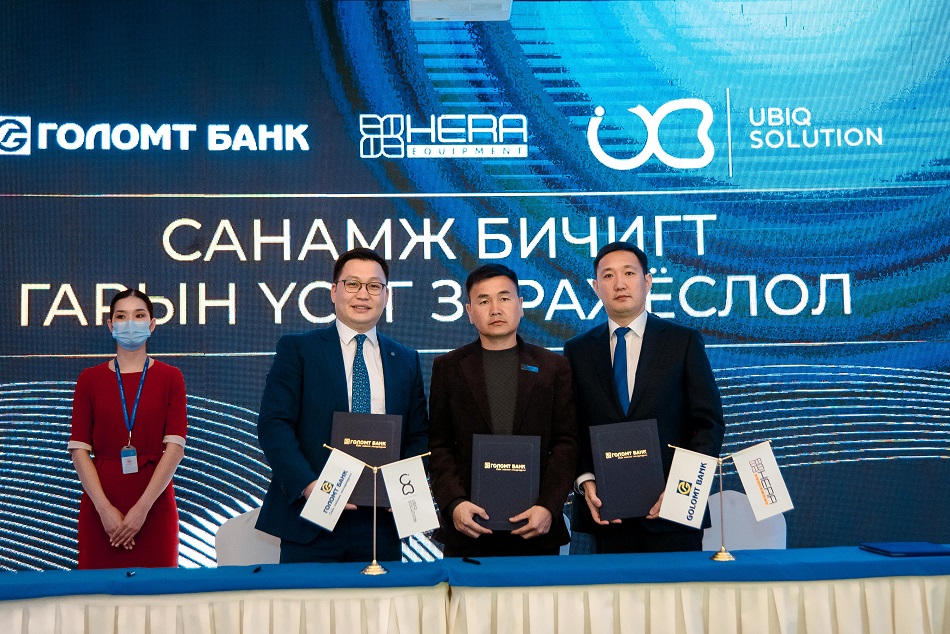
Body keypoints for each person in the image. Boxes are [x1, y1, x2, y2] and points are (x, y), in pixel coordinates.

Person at [256, 248, 429, 563]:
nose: (363, 294)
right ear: (334, 291)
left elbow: (419, 435)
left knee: (383, 599)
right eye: (352, 284)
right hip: (311, 518)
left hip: (380, 525)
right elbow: (274, 425)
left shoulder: (405, 359)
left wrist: (402, 489)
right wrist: (308, 485)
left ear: (387, 295)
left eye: (374, 286)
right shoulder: (299, 349)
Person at [564, 242, 725, 553]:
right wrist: (585, 479)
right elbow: (571, 428)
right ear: (596, 287)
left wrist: (682, 488)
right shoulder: (578, 350)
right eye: (608, 276)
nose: (620, 284)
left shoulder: (682, 341)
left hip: (673, 515)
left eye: (629, 273)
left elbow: (709, 423)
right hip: (604, 517)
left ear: (647, 281)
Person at [429, 264, 577, 557]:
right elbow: (439, 445)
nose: (495, 309)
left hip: (536, 528)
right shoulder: (448, 368)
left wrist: (548, 506)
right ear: (470, 312)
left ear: (520, 305)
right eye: (484, 301)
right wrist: (455, 504)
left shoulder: (553, 367)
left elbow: (567, 443)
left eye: (505, 298)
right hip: (468, 529)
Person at [68, 289, 187, 569]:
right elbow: (79, 450)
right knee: (97, 592)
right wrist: (104, 510)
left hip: (154, 505)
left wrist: (141, 510)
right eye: (121, 316)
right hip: (101, 507)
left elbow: (175, 449)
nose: (130, 323)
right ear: (111, 325)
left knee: (158, 592)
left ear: (152, 324)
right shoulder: (89, 379)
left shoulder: (171, 377)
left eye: (139, 315)